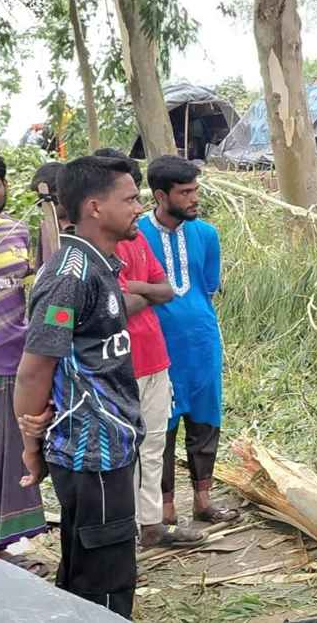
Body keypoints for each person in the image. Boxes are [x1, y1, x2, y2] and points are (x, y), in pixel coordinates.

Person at [13, 155, 143, 617]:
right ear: (94, 207)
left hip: (108, 446)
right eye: (130, 199)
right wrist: (31, 446)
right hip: (92, 452)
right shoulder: (70, 276)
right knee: (105, 581)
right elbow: (34, 369)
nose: (139, 208)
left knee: (85, 568)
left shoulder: (98, 264)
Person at [101, 151, 204, 548]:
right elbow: (114, 305)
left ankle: (151, 525)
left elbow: (166, 291)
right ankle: (126, 529)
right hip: (121, 362)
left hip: (155, 356)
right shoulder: (95, 250)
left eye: (135, 197)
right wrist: (143, 293)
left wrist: (136, 288)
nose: (136, 207)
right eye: (128, 199)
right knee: (126, 449)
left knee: (154, 443)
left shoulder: (137, 238)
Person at [137, 157, 237, 526]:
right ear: (161, 196)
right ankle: (165, 508)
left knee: (205, 417)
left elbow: (207, 286)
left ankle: (203, 501)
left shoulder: (207, 234)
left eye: (195, 190)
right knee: (161, 422)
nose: (194, 198)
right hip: (157, 346)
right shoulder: (136, 235)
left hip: (202, 341)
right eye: (185, 192)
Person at [0, 151, 48, 574]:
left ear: (5, 187)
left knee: (5, 464)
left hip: (11, 366)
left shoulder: (20, 233)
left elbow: (38, 291)